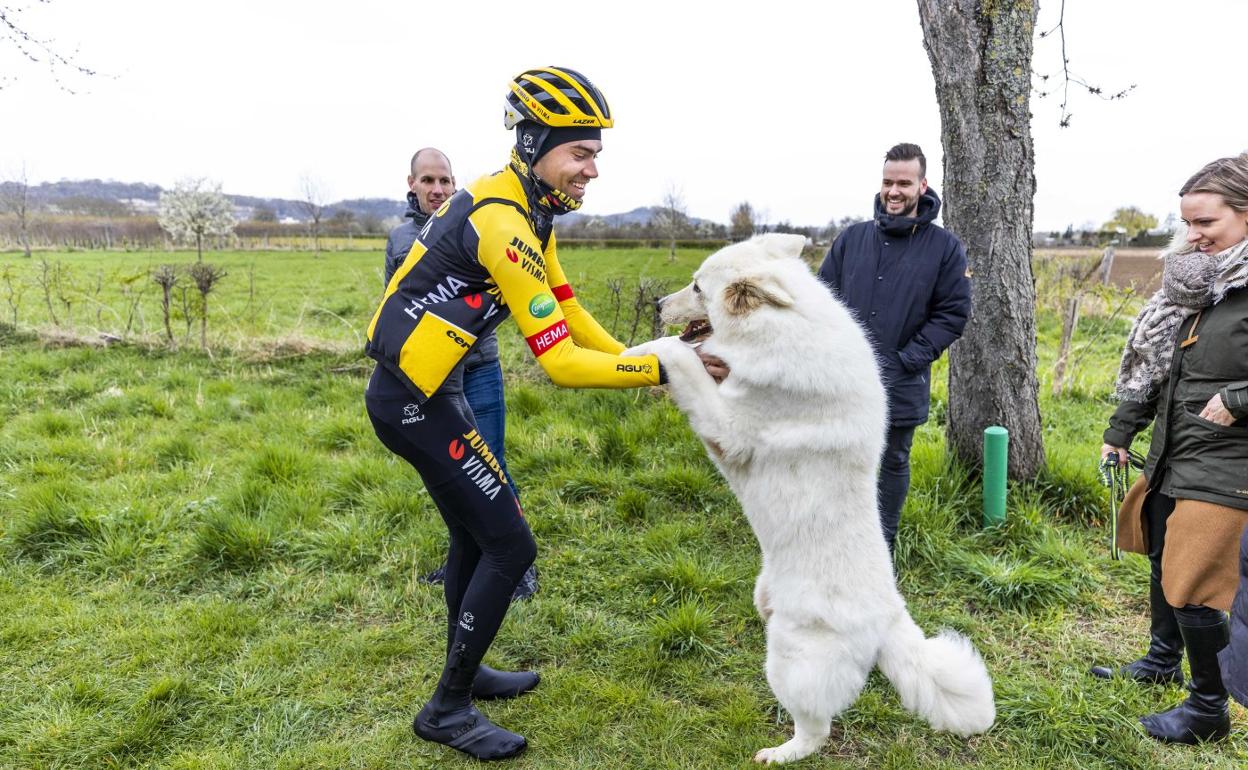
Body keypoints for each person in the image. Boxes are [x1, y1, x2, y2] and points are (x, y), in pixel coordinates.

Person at [363, 66, 667, 761]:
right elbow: (559, 362)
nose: (593, 168)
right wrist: (660, 367)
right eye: (580, 153)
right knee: (511, 544)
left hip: (431, 393)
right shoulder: (502, 221)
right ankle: (446, 710)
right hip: (411, 404)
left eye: (595, 153)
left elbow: (566, 306)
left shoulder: (532, 208)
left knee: (476, 538)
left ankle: (467, 675)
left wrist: (633, 354)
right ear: (534, 145)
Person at [1093, 152, 1248, 744]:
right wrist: (1119, 432)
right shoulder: (1193, 287)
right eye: (1186, 223)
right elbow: (1156, 371)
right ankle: (1161, 660)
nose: (1192, 236)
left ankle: (1208, 709)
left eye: (1206, 223)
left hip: (1231, 462)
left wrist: (1238, 398)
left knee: (1193, 576)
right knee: (1160, 550)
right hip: (1175, 450)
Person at [384, 148, 537, 600]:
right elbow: (393, 309)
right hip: (430, 377)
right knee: (451, 474)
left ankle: (519, 565)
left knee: (491, 464)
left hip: (480, 368)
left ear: (455, 185)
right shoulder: (397, 240)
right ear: (410, 183)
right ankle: (463, 559)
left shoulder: (478, 225)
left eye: (445, 181)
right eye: (428, 180)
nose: (437, 189)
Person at [817, 143, 971, 555]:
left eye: (904, 182)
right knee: (836, 461)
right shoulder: (852, 239)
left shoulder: (945, 249)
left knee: (892, 462)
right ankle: (832, 545)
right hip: (842, 382)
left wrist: (904, 360)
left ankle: (878, 551)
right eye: (888, 182)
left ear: (922, 185)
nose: (894, 191)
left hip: (900, 381)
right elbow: (819, 304)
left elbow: (952, 315)